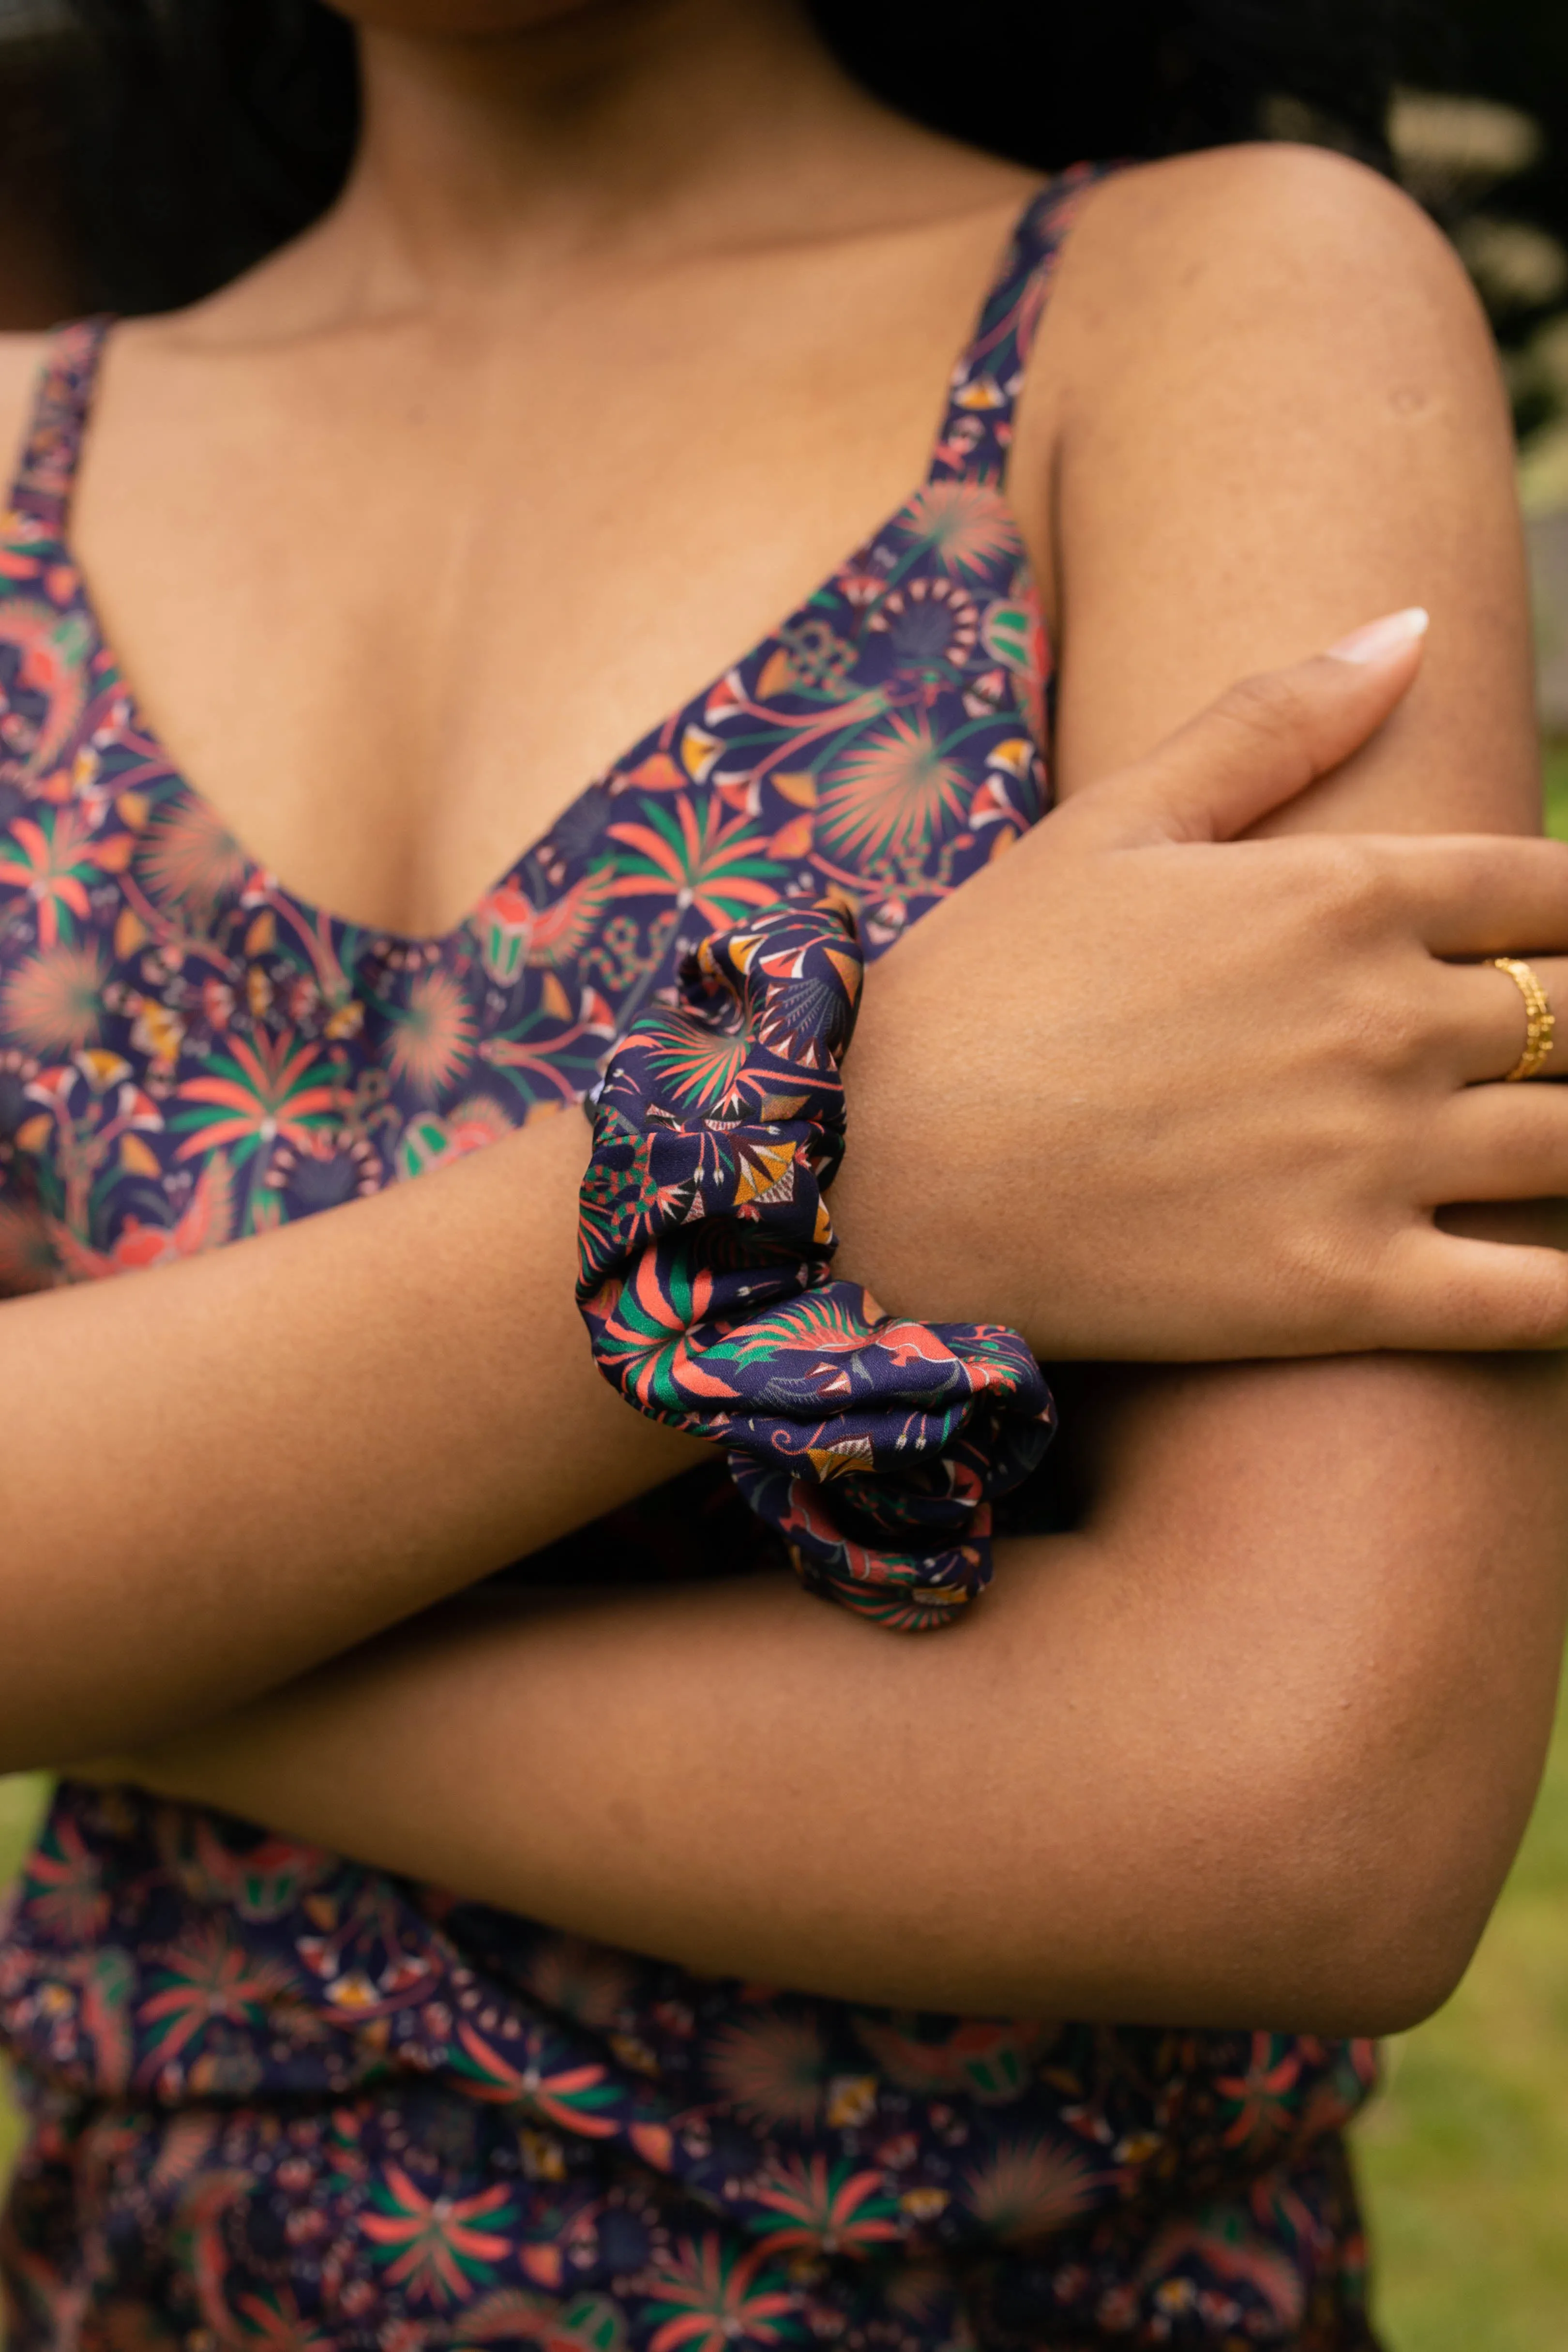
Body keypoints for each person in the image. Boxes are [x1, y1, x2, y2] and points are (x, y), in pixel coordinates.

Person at [1, 1, 1567, 2344]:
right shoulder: (23, 443)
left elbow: (1304, 1811)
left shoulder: (1209, 303)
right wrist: (863, 1170)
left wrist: (143, 1631)